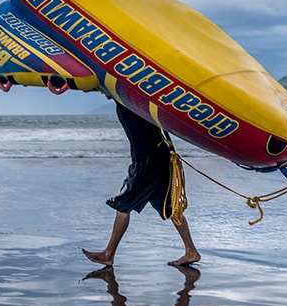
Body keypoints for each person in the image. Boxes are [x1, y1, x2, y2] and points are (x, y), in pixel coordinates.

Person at [83, 102, 200, 267]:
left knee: (123, 204)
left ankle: (108, 254)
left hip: (148, 160)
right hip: (155, 157)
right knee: (169, 207)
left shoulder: (132, 100)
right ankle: (191, 251)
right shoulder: (132, 99)